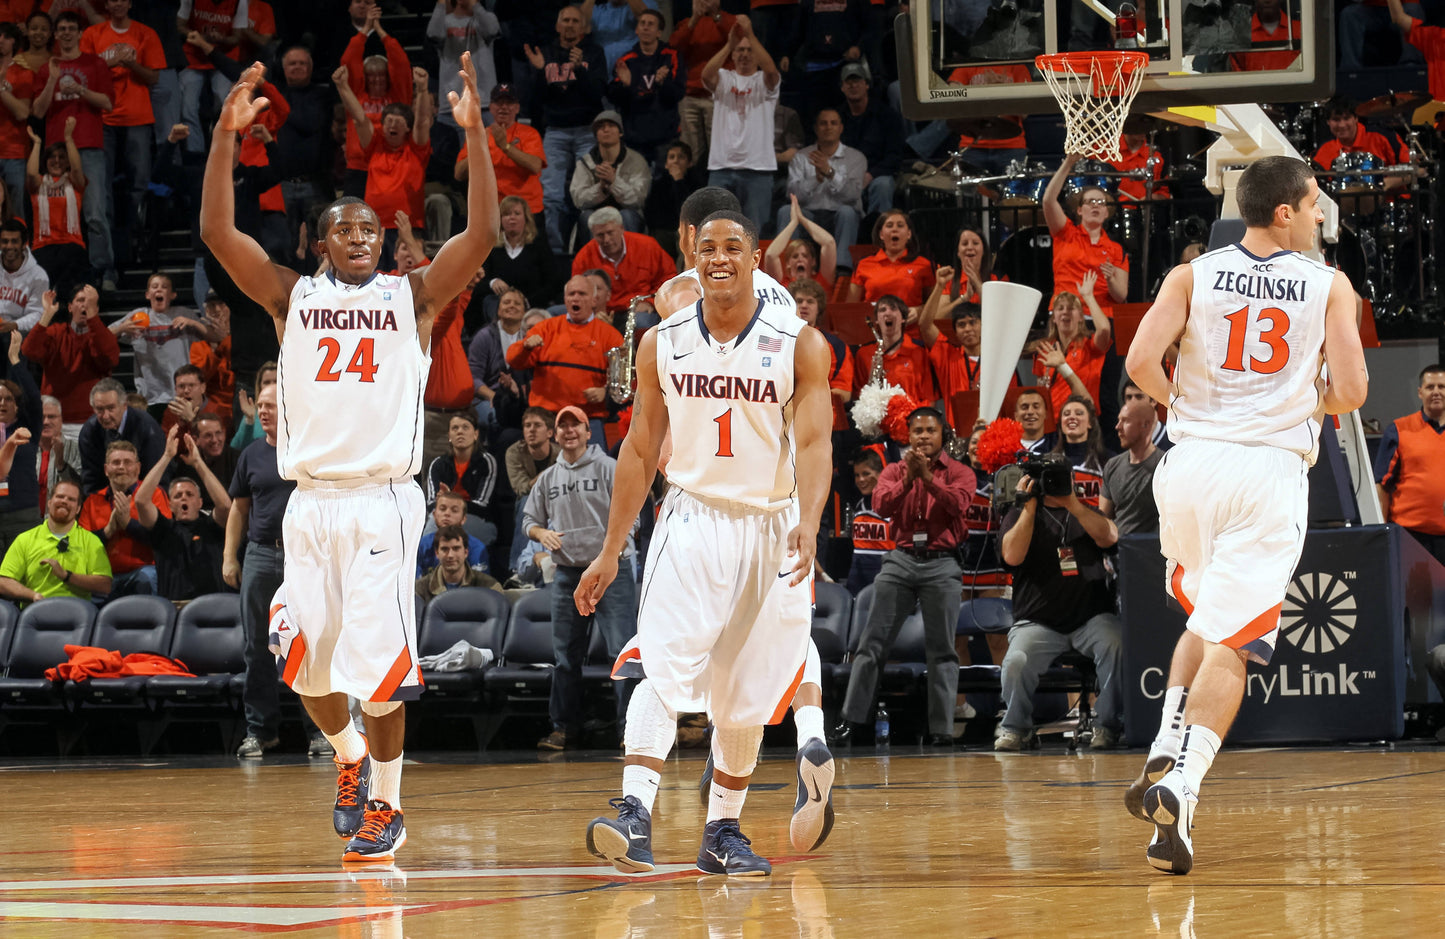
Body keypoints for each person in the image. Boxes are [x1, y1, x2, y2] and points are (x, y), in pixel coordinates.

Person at [200, 54, 499, 862]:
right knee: (305, 668)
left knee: (379, 671)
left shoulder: (415, 297)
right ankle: (351, 760)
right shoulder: (291, 294)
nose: (362, 237)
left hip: (380, 500)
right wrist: (225, 140)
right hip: (308, 503)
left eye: (372, 228)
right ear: (321, 240)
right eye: (347, 228)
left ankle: (389, 809)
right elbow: (217, 234)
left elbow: (482, 236)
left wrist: (474, 140)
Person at [1123, 156, 1367, 875]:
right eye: (1314, 204)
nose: (1321, 216)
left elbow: (1138, 361)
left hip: (1189, 465)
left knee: (1203, 619)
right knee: (1237, 643)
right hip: (1263, 471)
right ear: (1283, 211)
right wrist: (1305, 400)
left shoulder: (1190, 272)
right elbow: (1351, 389)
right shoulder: (1328, 285)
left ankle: (1165, 739)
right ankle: (1184, 783)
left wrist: (1187, 403)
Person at [577, 210, 833, 876]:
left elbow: (813, 442)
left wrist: (809, 519)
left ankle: (723, 829)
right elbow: (636, 449)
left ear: (756, 259)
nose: (720, 258)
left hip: (771, 524)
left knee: (745, 690)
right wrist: (610, 549)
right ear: (691, 252)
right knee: (664, 662)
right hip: (692, 517)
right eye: (709, 247)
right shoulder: (661, 340)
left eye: (734, 248)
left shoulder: (799, 343)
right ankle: (633, 813)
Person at [834, 407, 973, 747]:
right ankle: (852, 721)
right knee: (871, 645)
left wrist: (928, 478)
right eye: (917, 431)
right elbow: (881, 505)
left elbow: (958, 504)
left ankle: (941, 729)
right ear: (907, 436)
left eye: (930, 430)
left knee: (942, 650)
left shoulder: (959, 471)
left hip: (942, 561)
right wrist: (910, 478)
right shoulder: (895, 470)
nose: (923, 436)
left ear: (943, 435)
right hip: (900, 558)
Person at [995, 449, 1124, 751]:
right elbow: (1011, 556)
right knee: (1016, 661)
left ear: (1072, 479)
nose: (1051, 483)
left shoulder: (1086, 512)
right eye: (1046, 479)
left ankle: (1107, 725)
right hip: (1038, 622)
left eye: (1058, 477)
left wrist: (1073, 504)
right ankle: (1016, 728)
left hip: (1090, 618)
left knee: (1116, 645)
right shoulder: (1018, 514)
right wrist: (1027, 508)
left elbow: (1110, 537)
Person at [222, 383, 326, 759]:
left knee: (310, 643)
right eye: (260, 406)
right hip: (261, 555)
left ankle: (320, 731)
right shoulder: (250, 455)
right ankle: (260, 732)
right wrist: (229, 557)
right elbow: (238, 508)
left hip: (304, 558)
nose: (263, 411)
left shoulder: (308, 453)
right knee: (256, 648)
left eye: (270, 406)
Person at [525, 404, 637, 750]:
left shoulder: (609, 468)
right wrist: (541, 534)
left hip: (610, 570)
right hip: (568, 573)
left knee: (621, 652)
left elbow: (632, 513)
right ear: (555, 435)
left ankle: (631, 732)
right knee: (564, 657)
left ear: (590, 433)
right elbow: (529, 521)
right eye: (563, 426)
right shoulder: (548, 479)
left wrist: (613, 551)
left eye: (577, 425)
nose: (569, 431)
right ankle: (564, 729)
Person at [32, 10, 115, 288]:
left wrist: (80, 89)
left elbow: (107, 102)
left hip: (89, 145)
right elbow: (38, 110)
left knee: (94, 212)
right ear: (56, 35)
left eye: (71, 28)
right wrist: (53, 80)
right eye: (62, 28)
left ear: (80, 33)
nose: (66, 32)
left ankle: (103, 271)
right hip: (56, 153)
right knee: (57, 214)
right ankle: (60, 275)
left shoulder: (95, 63)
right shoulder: (46, 68)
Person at [527, 5, 608, 254]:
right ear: (557, 25)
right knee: (551, 198)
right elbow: (536, 99)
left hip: (586, 131)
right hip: (555, 132)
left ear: (583, 27)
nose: (570, 24)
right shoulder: (546, 52)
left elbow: (598, 95)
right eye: (566, 20)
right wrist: (541, 72)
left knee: (586, 195)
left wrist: (580, 70)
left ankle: (587, 251)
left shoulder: (593, 53)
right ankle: (557, 252)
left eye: (575, 20)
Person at [506, 274, 622, 442]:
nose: (576, 298)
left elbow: (624, 381)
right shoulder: (545, 328)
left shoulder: (610, 336)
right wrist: (525, 347)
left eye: (582, 294)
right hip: (547, 417)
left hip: (589, 418)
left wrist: (606, 391)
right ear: (565, 299)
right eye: (571, 294)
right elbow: (513, 360)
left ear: (594, 300)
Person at [701, 16, 781, 233]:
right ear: (733, 55)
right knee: (716, 229)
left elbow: (772, 71)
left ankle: (751, 269)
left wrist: (750, 35)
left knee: (755, 231)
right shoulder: (724, 77)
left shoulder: (765, 81)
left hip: (758, 168)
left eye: (749, 50)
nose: (744, 54)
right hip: (722, 167)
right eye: (740, 50)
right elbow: (706, 75)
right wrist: (729, 44)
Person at [132, 429, 229, 601]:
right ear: (169, 504)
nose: (183, 497)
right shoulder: (163, 529)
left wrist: (198, 462)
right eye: (177, 496)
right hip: (173, 608)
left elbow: (225, 506)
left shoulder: (210, 526)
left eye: (189, 495)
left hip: (212, 606)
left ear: (200, 503)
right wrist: (167, 457)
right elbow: (141, 500)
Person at [77, 438, 170, 597]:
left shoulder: (153, 494)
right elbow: (81, 546)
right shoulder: (92, 501)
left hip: (143, 571)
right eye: (116, 462)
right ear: (106, 469)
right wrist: (108, 530)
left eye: (128, 462)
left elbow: (164, 539)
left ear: (138, 468)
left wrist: (128, 524)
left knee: (148, 577)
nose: (122, 467)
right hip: (102, 577)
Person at [1374, 364, 1445, 564]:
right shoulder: (1399, 430)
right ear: (1420, 392)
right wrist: (1379, 533)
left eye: (1442, 386)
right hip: (1410, 537)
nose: (1437, 392)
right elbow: (1382, 487)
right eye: (1430, 387)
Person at [109, 273, 206, 419]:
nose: (159, 290)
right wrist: (121, 329)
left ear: (173, 295)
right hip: (149, 396)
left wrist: (194, 323)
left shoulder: (184, 313)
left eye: (164, 287)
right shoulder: (138, 315)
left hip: (181, 394)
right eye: (154, 287)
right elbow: (104, 336)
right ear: (148, 294)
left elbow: (214, 336)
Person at [0, 478, 112, 604]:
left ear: (78, 508)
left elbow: (104, 585)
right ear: (49, 502)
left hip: (77, 616)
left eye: (71, 499)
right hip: (36, 614)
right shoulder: (25, 539)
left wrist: (67, 576)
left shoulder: (91, 541)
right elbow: (3, 582)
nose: (64, 501)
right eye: (60, 496)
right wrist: (33, 596)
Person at [1043, 155, 1130, 316]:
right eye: (1090, 202)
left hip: (1101, 317)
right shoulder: (1065, 232)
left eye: (1100, 203)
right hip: (1065, 314)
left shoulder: (1115, 249)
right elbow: (1048, 201)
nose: (1095, 206)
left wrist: (1111, 280)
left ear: (1106, 213)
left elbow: (1121, 296)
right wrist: (1068, 163)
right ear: (1080, 210)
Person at [779, 109, 863, 267]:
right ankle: (786, 267)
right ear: (816, 128)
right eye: (823, 123)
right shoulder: (801, 157)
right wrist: (816, 179)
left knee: (848, 212)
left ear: (841, 128)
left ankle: (842, 268)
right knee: (786, 211)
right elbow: (792, 195)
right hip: (808, 216)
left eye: (833, 123)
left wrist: (830, 173)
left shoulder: (855, 157)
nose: (828, 127)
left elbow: (853, 195)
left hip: (839, 216)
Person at [608, 9, 685, 163]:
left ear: (659, 32)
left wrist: (663, 84)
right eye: (642, 23)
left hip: (666, 136)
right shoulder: (626, 60)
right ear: (636, 30)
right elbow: (614, 98)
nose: (645, 27)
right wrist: (625, 85)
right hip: (635, 137)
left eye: (651, 24)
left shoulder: (672, 56)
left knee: (665, 184)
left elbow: (677, 94)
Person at [570, 206, 676, 314]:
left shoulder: (648, 246)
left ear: (621, 228)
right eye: (600, 235)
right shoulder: (583, 257)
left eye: (610, 232)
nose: (606, 240)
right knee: (555, 313)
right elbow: (576, 291)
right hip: (600, 312)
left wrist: (650, 302)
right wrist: (591, 311)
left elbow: (669, 279)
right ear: (593, 235)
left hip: (638, 310)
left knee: (642, 320)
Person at [1032, 279, 1112, 416]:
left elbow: (1104, 329)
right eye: (1060, 308)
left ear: (1081, 317)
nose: (1065, 312)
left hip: (1083, 418)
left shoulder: (1090, 346)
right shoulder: (1044, 349)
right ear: (1054, 319)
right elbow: (1040, 391)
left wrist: (1088, 297)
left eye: (1071, 308)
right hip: (1052, 422)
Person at [76, 376, 165, 495]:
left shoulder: (148, 428)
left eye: (111, 408)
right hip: (106, 498)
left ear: (124, 405)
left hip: (144, 498)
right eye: (100, 409)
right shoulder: (89, 431)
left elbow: (158, 478)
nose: (105, 416)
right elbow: (91, 481)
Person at [571, 109, 651, 236]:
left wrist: (614, 182)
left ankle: (629, 254)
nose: (606, 130)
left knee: (627, 216)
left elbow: (638, 200)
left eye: (611, 126)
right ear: (596, 134)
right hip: (596, 212)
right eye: (601, 127)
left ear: (620, 132)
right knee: (588, 217)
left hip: (626, 212)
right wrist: (601, 188)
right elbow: (579, 200)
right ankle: (595, 256)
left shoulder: (636, 161)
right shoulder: (585, 163)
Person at [851, 294, 935, 404]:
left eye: (893, 308)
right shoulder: (863, 354)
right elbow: (858, 397)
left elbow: (929, 400)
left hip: (911, 417)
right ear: (876, 320)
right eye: (882, 310)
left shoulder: (919, 352)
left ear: (903, 318)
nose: (887, 313)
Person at [504, 405, 558, 573]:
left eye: (537, 425)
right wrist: (546, 476)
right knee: (528, 502)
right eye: (527, 426)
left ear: (550, 432)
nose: (531, 430)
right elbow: (520, 488)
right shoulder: (514, 452)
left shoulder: (561, 453)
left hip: (557, 500)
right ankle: (517, 569)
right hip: (528, 501)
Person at [1100, 397, 1163, 536]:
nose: (1118, 427)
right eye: (1118, 420)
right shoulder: (1112, 465)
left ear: (1146, 425)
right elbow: (1104, 520)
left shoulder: (1165, 465)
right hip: (1119, 552)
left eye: (1125, 421)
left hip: (1153, 553)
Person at [847, 209, 935, 307]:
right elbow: (851, 307)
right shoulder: (864, 264)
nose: (895, 229)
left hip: (910, 322)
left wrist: (919, 311)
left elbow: (933, 306)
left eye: (900, 225)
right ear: (881, 234)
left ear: (909, 234)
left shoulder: (924, 265)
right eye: (889, 226)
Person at [1049, 394, 1112, 508]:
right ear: (1061, 424)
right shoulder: (1049, 462)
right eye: (1066, 414)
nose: (1071, 417)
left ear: (1090, 423)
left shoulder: (1107, 460)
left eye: (1079, 413)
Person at [415, 522, 501, 603]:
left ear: (466, 552)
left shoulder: (489, 587)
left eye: (456, 548)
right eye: (444, 549)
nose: (450, 555)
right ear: (437, 553)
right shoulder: (419, 589)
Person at [416, 488, 489, 577]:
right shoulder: (422, 545)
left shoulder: (477, 548)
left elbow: (480, 586)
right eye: (442, 509)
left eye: (454, 510)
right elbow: (415, 583)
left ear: (463, 519)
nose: (447, 514)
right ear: (434, 515)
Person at [765, 198, 837, 289]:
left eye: (805, 256)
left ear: (813, 261)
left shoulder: (820, 282)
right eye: (795, 256)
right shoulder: (781, 286)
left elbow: (829, 243)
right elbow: (770, 255)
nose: (800, 259)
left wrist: (801, 218)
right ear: (788, 263)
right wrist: (793, 223)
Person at [0, 220, 46, 334]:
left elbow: (38, 314)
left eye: (14, 241)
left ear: (24, 244)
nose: (9, 246)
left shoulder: (39, 276)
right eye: (5, 241)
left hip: (19, 333)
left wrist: (15, 325)